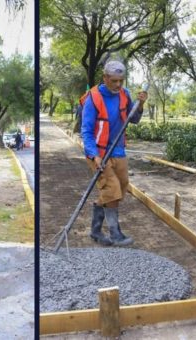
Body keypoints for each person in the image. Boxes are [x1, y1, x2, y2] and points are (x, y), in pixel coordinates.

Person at [81, 60, 147, 246]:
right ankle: (115, 234)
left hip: (118, 150)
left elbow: (133, 119)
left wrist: (140, 104)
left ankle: (95, 231)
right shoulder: (93, 99)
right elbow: (85, 131)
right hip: (99, 153)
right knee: (112, 190)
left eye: (121, 81)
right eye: (114, 81)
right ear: (105, 78)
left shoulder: (124, 95)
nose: (118, 85)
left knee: (121, 187)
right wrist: (94, 155)